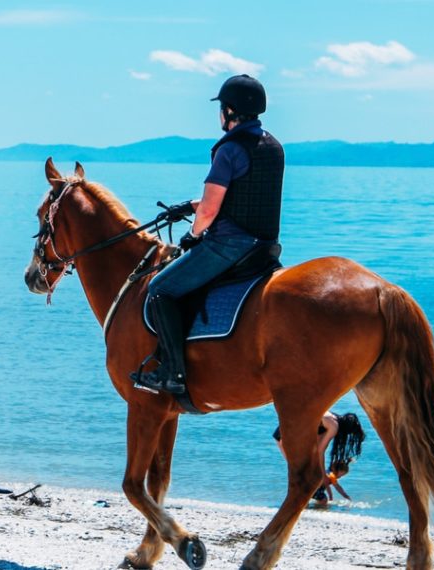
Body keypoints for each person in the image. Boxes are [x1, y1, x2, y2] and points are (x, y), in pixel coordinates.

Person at [132, 74, 285, 395]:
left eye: (222, 108)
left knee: (160, 289)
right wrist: (188, 206)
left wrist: (192, 234)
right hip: (265, 246)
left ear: (230, 111)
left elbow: (212, 210)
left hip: (230, 245)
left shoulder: (228, 150)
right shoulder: (271, 146)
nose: (220, 115)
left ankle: (172, 374)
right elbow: (241, 195)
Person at [272, 411, 366, 506]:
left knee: (301, 474)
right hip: (287, 433)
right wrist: (323, 475)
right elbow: (320, 451)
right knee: (300, 472)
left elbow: (316, 448)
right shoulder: (334, 425)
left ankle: (302, 505)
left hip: (285, 429)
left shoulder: (329, 419)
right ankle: (295, 505)